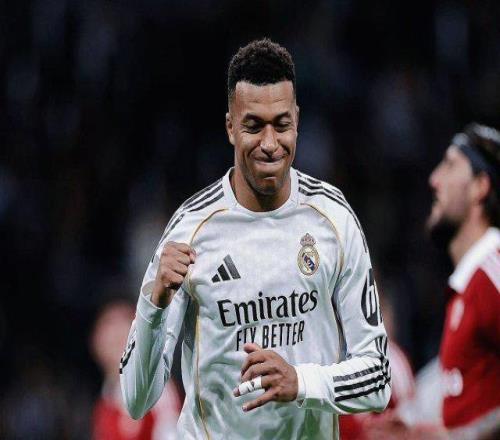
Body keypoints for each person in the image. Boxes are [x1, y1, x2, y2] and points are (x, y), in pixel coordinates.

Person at [120, 38, 391, 439]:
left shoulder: (333, 218)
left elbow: (378, 378)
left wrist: (300, 381)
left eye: (281, 124)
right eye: (253, 126)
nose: (269, 143)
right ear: (231, 127)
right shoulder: (191, 228)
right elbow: (135, 400)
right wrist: (153, 303)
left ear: (297, 121)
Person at [426, 123, 500, 439]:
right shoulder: (471, 283)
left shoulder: (492, 270)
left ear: (479, 187)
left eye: (450, 164)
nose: (434, 180)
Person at [91, 300, 181, 440]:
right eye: (109, 326)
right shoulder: (105, 401)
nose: (115, 334)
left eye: (123, 328)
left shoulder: (156, 388)